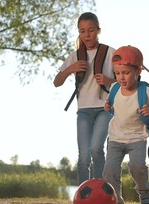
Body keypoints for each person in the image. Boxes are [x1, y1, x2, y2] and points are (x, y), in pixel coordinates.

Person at [103, 46, 149, 204]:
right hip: (115, 137)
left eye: (126, 73)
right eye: (117, 73)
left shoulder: (146, 91)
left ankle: (144, 191)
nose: (121, 77)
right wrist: (107, 107)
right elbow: (110, 105)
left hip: (137, 137)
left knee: (137, 166)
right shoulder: (115, 88)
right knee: (109, 171)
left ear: (138, 71)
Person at [53, 12, 116, 185]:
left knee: (96, 149)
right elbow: (56, 82)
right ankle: (82, 195)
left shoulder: (110, 52)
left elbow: (126, 79)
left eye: (91, 30)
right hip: (83, 111)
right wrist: (69, 69)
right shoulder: (75, 56)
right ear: (79, 33)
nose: (87, 35)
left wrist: (109, 80)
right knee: (83, 156)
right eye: (82, 31)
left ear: (98, 30)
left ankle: (100, 191)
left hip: (105, 108)